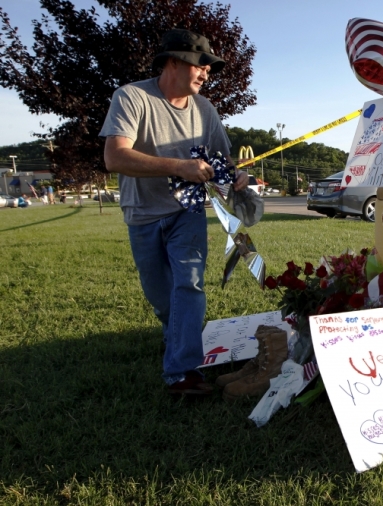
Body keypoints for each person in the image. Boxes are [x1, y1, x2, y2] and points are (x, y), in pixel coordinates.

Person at [100, 28, 248, 396]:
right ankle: (175, 337)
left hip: (188, 211)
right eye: (201, 65)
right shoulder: (132, 97)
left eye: (209, 69)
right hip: (143, 213)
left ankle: (183, 374)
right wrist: (178, 166)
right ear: (172, 62)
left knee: (189, 283)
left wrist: (236, 174)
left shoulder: (206, 109)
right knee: (164, 300)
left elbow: (223, 159)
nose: (206, 73)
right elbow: (114, 157)